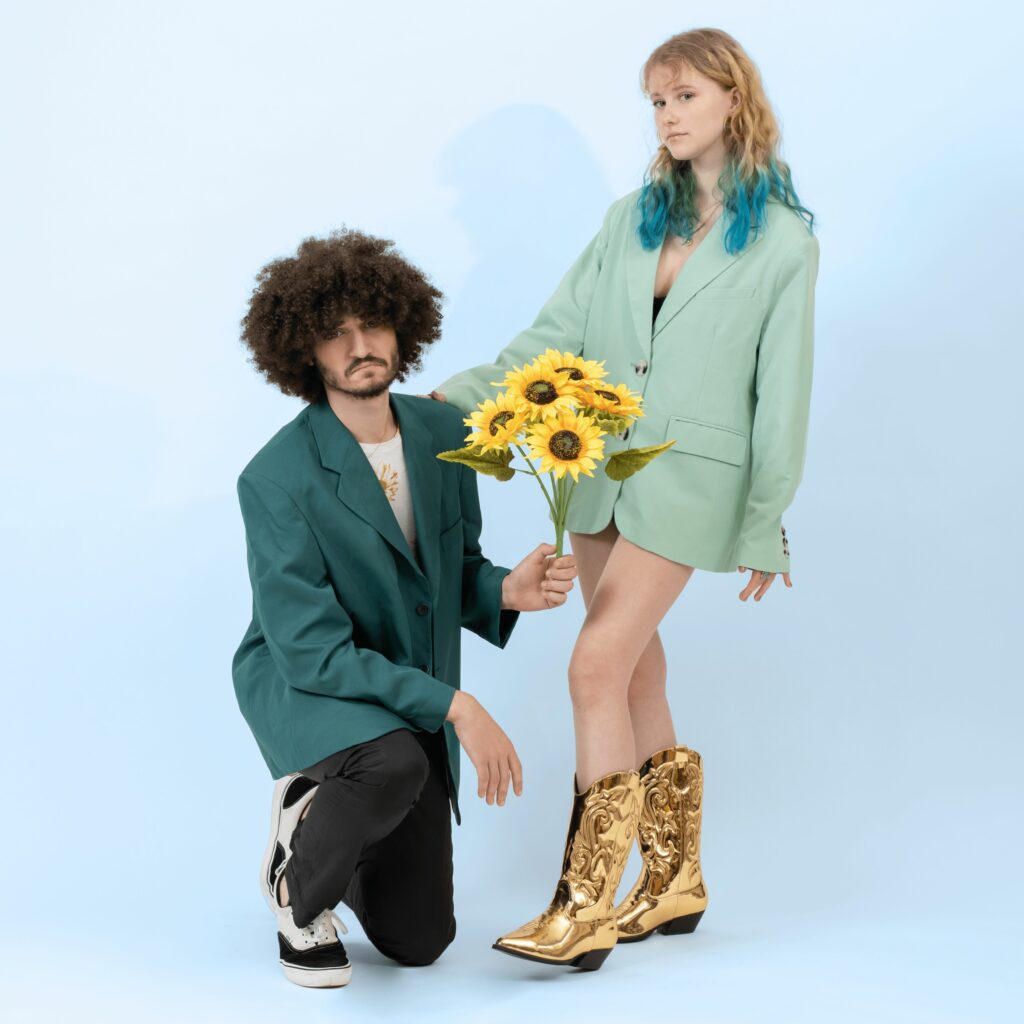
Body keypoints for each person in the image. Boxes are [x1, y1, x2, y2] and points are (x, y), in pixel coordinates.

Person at [430, 27, 820, 971]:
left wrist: (765, 522)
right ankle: (675, 878)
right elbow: (556, 335)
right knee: (636, 670)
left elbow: (783, 394)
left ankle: (585, 907)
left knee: (594, 665)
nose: (667, 116)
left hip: (694, 479)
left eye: (684, 96)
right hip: (602, 469)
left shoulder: (784, 242)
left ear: (733, 99)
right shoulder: (629, 220)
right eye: (656, 101)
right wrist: (461, 397)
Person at [231, 227, 578, 988]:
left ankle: (331, 830)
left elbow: (451, 571)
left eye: (374, 324)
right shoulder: (275, 479)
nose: (361, 346)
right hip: (308, 682)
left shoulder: (444, 432)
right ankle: (297, 891)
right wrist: (457, 705)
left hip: (398, 681)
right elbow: (312, 651)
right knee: (390, 762)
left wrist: (505, 592)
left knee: (419, 940)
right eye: (336, 333)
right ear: (305, 350)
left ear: (403, 325)